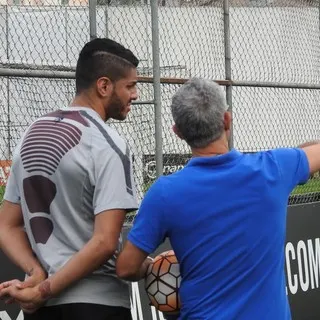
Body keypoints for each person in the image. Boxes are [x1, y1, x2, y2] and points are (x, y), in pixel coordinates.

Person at [116, 78, 320, 319]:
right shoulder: (275, 169)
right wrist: (295, 158)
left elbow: (126, 267)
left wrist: (151, 267)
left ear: (178, 132)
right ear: (227, 120)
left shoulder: (165, 193)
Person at [0, 38, 144, 320]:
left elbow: (6, 225)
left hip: (43, 308)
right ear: (104, 86)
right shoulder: (108, 143)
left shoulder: (31, 134)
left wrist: (37, 273)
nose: (135, 94)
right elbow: (104, 243)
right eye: (130, 85)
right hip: (98, 304)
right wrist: (43, 289)